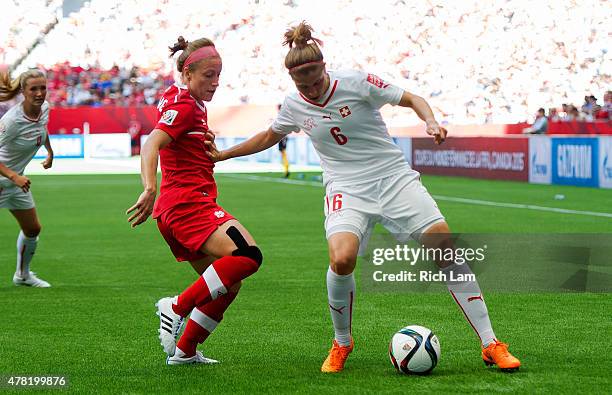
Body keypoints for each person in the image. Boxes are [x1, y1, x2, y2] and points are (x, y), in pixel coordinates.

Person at [206, 22, 520, 373]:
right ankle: (342, 342)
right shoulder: (295, 104)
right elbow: (268, 135)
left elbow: (412, 99)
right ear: (292, 79)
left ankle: (491, 343)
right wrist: (225, 155)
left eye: (314, 78)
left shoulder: (357, 82)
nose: (310, 87)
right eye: (301, 82)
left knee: (444, 248)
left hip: (393, 179)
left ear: (324, 67)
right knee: (341, 260)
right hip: (346, 188)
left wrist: (430, 122)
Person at [126, 36, 263, 365]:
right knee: (247, 256)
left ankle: (185, 351)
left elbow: (178, 140)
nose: (215, 82)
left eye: (219, 74)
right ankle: (175, 307)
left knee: (227, 285)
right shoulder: (186, 104)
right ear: (187, 74)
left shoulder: (180, 98)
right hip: (188, 205)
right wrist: (148, 187)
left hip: (175, 212)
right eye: (208, 75)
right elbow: (151, 143)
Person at [0, 69, 54, 287]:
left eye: (43, 88)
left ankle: (22, 275)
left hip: (15, 183)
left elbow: (42, 130)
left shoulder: (45, 109)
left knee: (33, 229)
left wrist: (50, 151)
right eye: (34, 89)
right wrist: (13, 176)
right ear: (23, 91)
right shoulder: (11, 121)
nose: (40, 93)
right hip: (9, 179)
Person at [277, 104, 290, 178]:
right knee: (283, 154)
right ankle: (286, 169)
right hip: (283, 137)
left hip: (282, 137)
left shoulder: (282, 114)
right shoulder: (283, 114)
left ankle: (286, 170)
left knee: (283, 154)